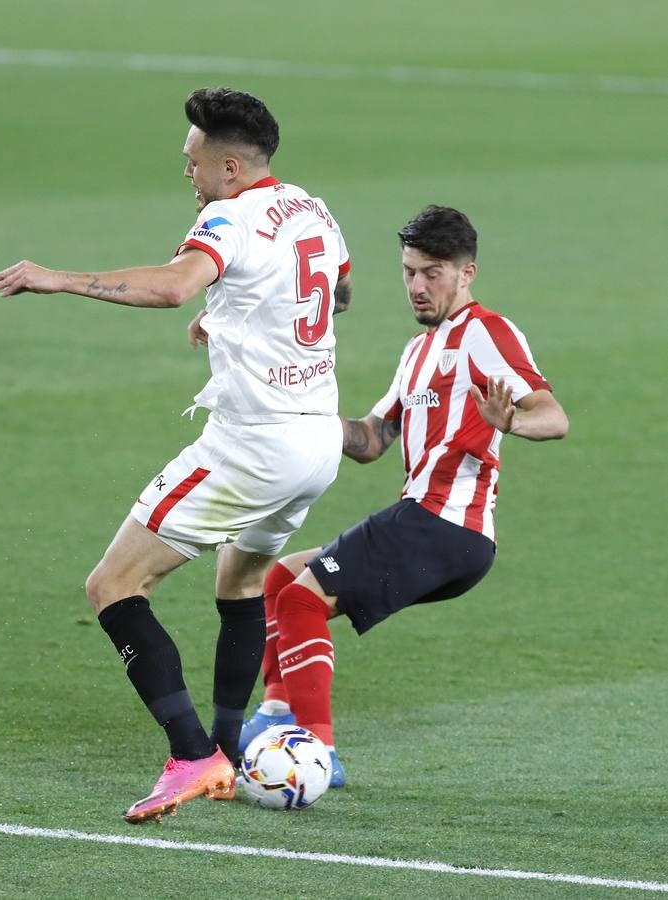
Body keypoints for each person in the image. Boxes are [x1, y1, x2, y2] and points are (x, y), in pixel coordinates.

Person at [0, 87, 352, 822]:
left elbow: (175, 287)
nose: (185, 171)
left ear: (231, 165)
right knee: (241, 585)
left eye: (193, 161)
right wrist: (237, 318)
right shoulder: (312, 208)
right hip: (317, 441)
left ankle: (191, 755)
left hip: (254, 444)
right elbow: (333, 295)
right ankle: (224, 749)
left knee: (112, 585)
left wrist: (58, 278)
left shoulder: (228, 214)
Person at [240, 205, 569, 785]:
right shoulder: (417, 353)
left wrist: (510, 421)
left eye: (433, 272)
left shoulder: (486, 334)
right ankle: (275, 713)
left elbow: (554, 416)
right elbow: (371, 441)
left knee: (300, 601)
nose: (418, 286)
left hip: (446, 526)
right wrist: (297, 412)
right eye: (409, 272)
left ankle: (317, 753)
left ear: (467, 273)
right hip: (430, 525)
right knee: (281, 580)